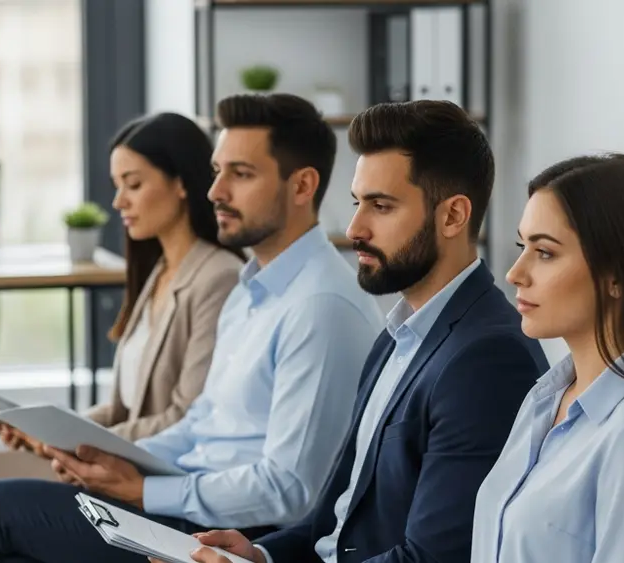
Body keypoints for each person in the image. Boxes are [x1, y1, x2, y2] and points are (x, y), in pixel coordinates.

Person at [0, 93, 385, 563]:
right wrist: (114, 463)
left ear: (302, 186)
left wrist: (149, 491)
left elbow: (291, 491)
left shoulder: (320, 307)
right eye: (216, 171)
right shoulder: (252, 290)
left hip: (233, 532)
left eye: (240, 174)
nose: (215, 191)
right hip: (191, 505)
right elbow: (200, 424)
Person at [177, 100, 550, 563]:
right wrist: (258, 554)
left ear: (453, 216)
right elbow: (333, 522)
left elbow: (432, 559)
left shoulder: (486, 358)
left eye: (381, 206)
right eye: (358, 203)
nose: (354, 228)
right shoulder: (395, 336)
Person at [0, 112, 246, 562]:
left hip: (145, 474)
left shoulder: (217, 279)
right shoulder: (158, 270)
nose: (119, 200)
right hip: (110, 454)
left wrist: (70, 444)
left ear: (180, 183)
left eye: (133, 184)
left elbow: (184, 418)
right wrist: (50, 429)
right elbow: (123, 407)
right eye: (117, 184)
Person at [469, 154, 624, 563]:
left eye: (544, 253)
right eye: (521, 246)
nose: (515, 272)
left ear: (617, 275)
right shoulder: (544, 400)